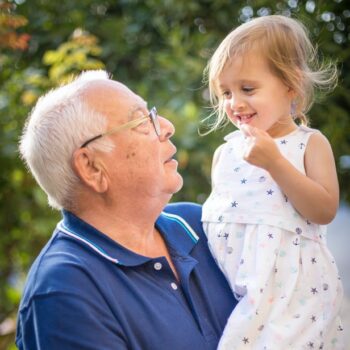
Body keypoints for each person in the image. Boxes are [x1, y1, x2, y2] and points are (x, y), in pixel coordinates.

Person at [16, 70, 237, 350]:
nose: (167, 126)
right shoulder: (64, 290)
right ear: (92, 167)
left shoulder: (199, 224)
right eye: (141, 122)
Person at [201, 15, 344, 349]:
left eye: (248, 89)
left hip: (292, 297)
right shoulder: (226, 153)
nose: (234, 103)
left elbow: (323, 210)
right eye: (225, 92)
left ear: (290, 85)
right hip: (234, 292)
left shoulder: (308, 144)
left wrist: (275, 163)